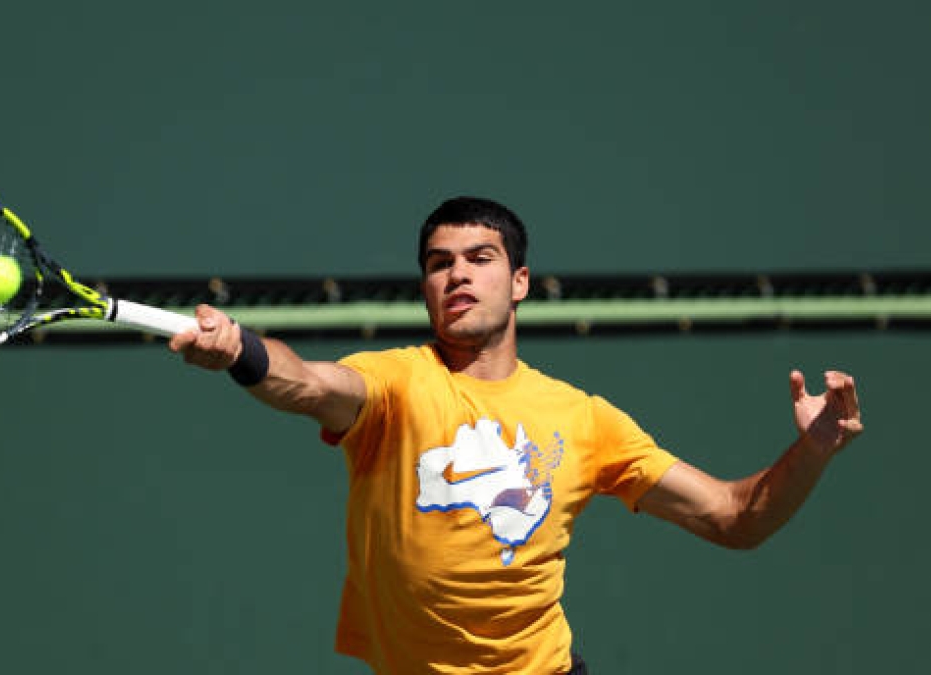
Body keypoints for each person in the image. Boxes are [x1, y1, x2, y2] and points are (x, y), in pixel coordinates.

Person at [167, 196, 864, 675]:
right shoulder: (395, 383)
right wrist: (240, 351)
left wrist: (814, 448)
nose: (458, 274)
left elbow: (735, 517)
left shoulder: (583, 418)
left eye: (480, 257)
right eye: (439, 263)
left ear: (520, 281)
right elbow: (308, 383)